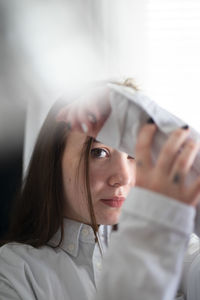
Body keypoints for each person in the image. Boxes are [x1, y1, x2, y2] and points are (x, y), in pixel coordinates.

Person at [0, 81, 200, 300]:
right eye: (99, 153)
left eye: (134, 154)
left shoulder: (178, 249)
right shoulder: (13, 273)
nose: (123, 177)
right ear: (54, 160)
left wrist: (171, 135)